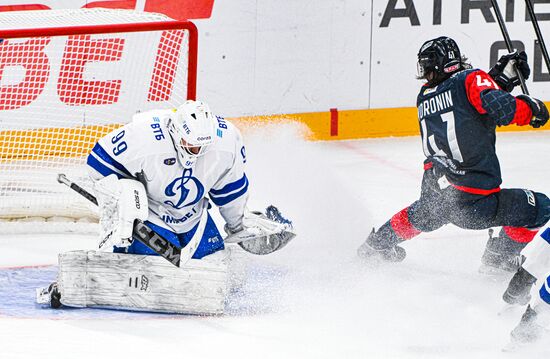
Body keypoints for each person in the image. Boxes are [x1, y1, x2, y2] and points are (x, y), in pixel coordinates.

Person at [37, 100, 295, 314]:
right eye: (191, 144)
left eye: (203, 145)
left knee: (212, 262)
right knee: (156, 267)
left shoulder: (226, 143)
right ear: (175, 131)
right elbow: (97, 164)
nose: (197, 151)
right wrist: (122, 198)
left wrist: (239, 224)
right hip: (151, 214)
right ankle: (120, 248)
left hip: (193, 216)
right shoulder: (144, 137)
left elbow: (229, 190)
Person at [357, 36, 550, 272]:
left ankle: (376, 245)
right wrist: (532, 110)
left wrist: (498, 77)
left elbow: (469, 110)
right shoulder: (468, 80)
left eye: (429, 66)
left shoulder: (425, 96)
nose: (426, 72)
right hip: (477, 202)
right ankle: (497, 260)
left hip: (440, 194)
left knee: (421, 215)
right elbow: (499, 108)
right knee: (541, 207)